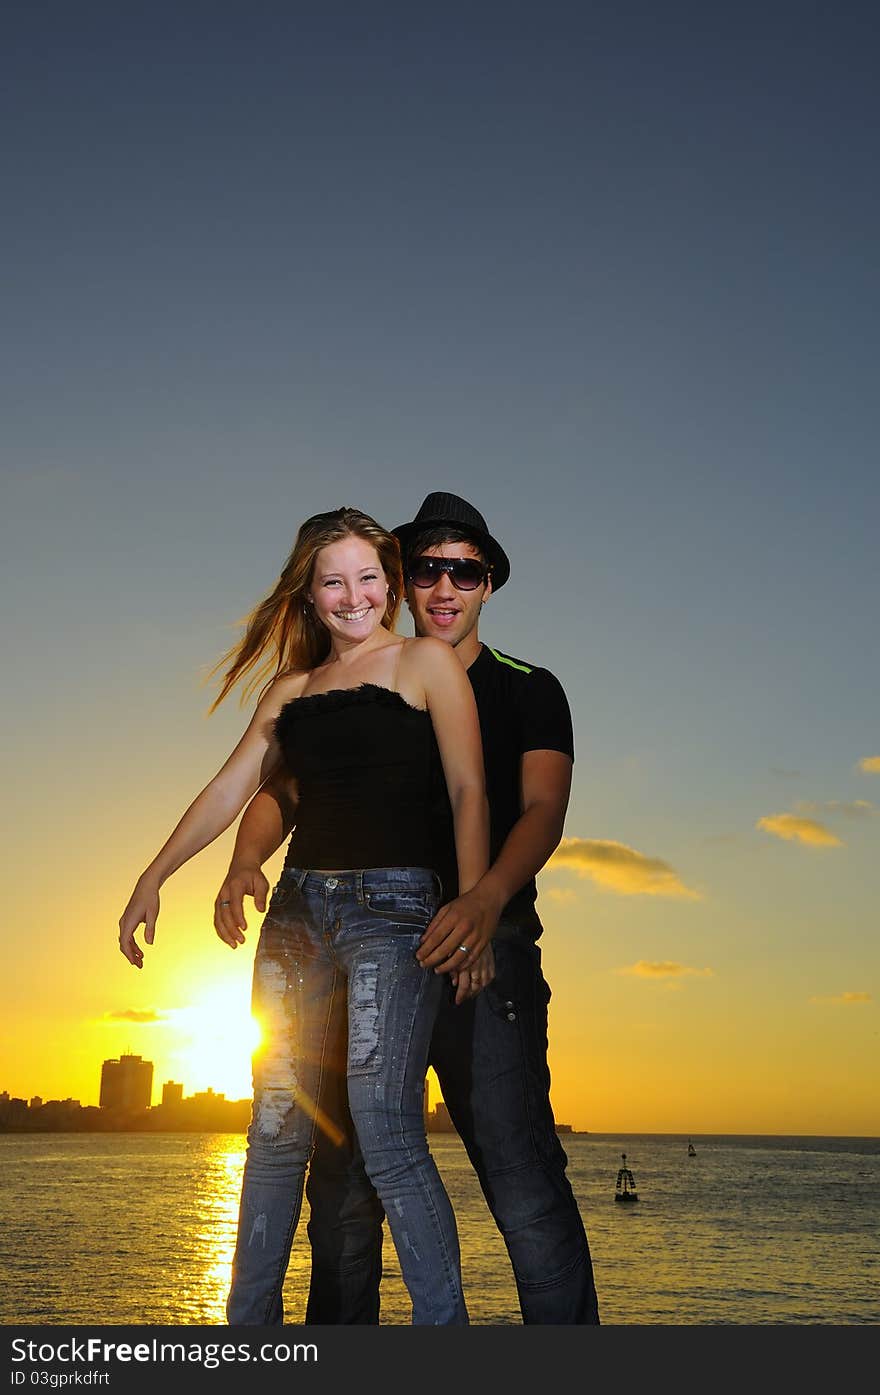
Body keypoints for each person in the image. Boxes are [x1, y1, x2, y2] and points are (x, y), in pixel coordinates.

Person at [218, 491, 601, 1325]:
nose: (443, 585)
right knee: (344, 1192)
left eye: (463, 569)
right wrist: (245, 857)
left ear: (488, 582)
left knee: (519, 1176)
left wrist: (485, 900)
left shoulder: (529, 689)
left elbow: (541, 809)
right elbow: (283, 787)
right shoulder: (362, 678)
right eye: (424, 567)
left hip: (479, 949)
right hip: (352, 949)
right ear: (401, 579)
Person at [117, 505, 491, 1326]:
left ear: (387, 584)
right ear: (310, 593)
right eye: (334, 580)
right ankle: (247, 1334)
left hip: (396, 915)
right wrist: (156, 874)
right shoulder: (291, 691)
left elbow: (469, 788)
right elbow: (231, 788)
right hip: (295, 916)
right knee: (276, 1131)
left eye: (368, 576)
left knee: (386, 1125)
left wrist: (473, 909)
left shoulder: (426, 662)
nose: (353, 595)